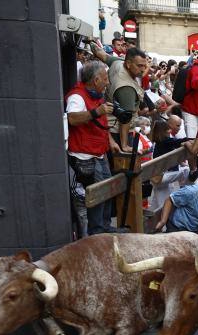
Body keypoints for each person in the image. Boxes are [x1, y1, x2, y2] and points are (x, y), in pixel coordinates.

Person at [65, 61, 118, 237]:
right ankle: (98, 231)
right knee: (97, 195)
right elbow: (72, 119)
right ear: (95, 80)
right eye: (105, 79)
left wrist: (110, 140)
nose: (107, 82)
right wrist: (96, 112)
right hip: (85, 155)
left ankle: (104, 226)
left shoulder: (96, 96)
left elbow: (101, 124)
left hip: (98, 152)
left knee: (107, 189)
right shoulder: (77, 97)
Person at [90, 43, 148, 153]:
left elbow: (102, 55)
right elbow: (125, 119)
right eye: (139, 66)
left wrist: (92, 45)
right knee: (121, 167)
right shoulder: (126, 87)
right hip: (117, 132)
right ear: (129, 64)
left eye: (144, 66)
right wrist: (124, 145)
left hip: (109, 126)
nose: (143, 69)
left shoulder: (117, 62)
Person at [155, 165, 198, 240]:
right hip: (178, 230)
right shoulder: (193, 192)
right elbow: (170, 200)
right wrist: (163, 221)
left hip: (195, 230)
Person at [149, 120, 189, 212]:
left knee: (156, 205)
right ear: (163, 131)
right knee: (186, 171)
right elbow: (180, 141)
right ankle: (163, 225)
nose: (169, 131)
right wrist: (197, 139)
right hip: (160, 176)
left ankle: (150, 223)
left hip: (162, 176)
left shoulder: (160, 142)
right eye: (167, 129)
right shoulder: (163, 142)